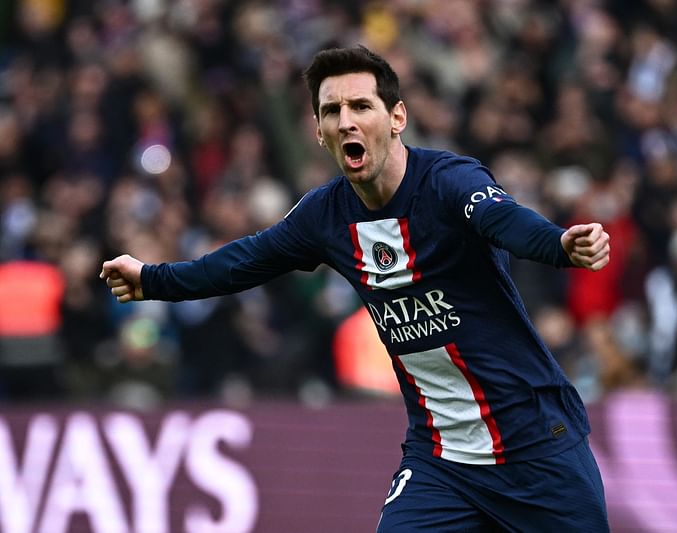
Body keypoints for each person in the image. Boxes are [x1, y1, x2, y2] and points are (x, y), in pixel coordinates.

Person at [101, 45, 611, 532]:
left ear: (397, 118)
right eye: (331, 110)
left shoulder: (448, 181)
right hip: (443, 462)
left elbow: (505, 220)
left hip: (537, 445)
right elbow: (242, 261)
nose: (346, 120)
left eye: (361, 105)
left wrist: (561, 244)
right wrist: (151, 280)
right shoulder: (324, 216)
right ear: (320, 133)